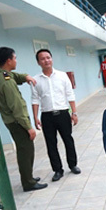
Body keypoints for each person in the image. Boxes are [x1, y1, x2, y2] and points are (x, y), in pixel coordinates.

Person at [0, 47, 47, 192]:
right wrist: (29, 127)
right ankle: (28, 182)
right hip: (17, 122)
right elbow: (17, 108)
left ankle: (29, 177)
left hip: (11, 121)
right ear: (9, 60)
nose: (16, 60)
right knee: (25, 151)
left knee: (25, 150)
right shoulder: (7, 83)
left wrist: (25, 77)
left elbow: (12, 76)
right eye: (15, 58)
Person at [31, 49, 81, 183]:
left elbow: (70, 94)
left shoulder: (62, 76)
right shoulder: (35, 80)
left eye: (48, 57)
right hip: (47, 116)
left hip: (63, 113)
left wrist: (74, 112)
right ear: (38, 62)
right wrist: (35, 117)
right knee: (51, 144)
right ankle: (57, 170)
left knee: (68, 140)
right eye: (42, 58)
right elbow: (35, 100)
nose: (46, 60)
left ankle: (73, 165)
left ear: (51, 59)